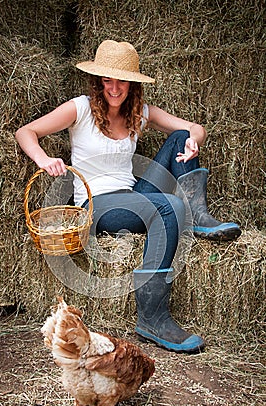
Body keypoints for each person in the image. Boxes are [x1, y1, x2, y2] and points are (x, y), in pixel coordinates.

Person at [16, 40, 241, 353]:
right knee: (169, 207)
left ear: (132, 83)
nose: (114, 87)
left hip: (133, 194)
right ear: (98, 81)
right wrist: (43, 159)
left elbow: (194, 127)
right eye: (107, 79)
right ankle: (152, 316)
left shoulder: (140, 113)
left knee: (178, 137)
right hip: (97, 204)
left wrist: (193, 142)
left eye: (121, 80)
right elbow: (25, 132)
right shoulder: (79, 108)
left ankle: (200, 217)